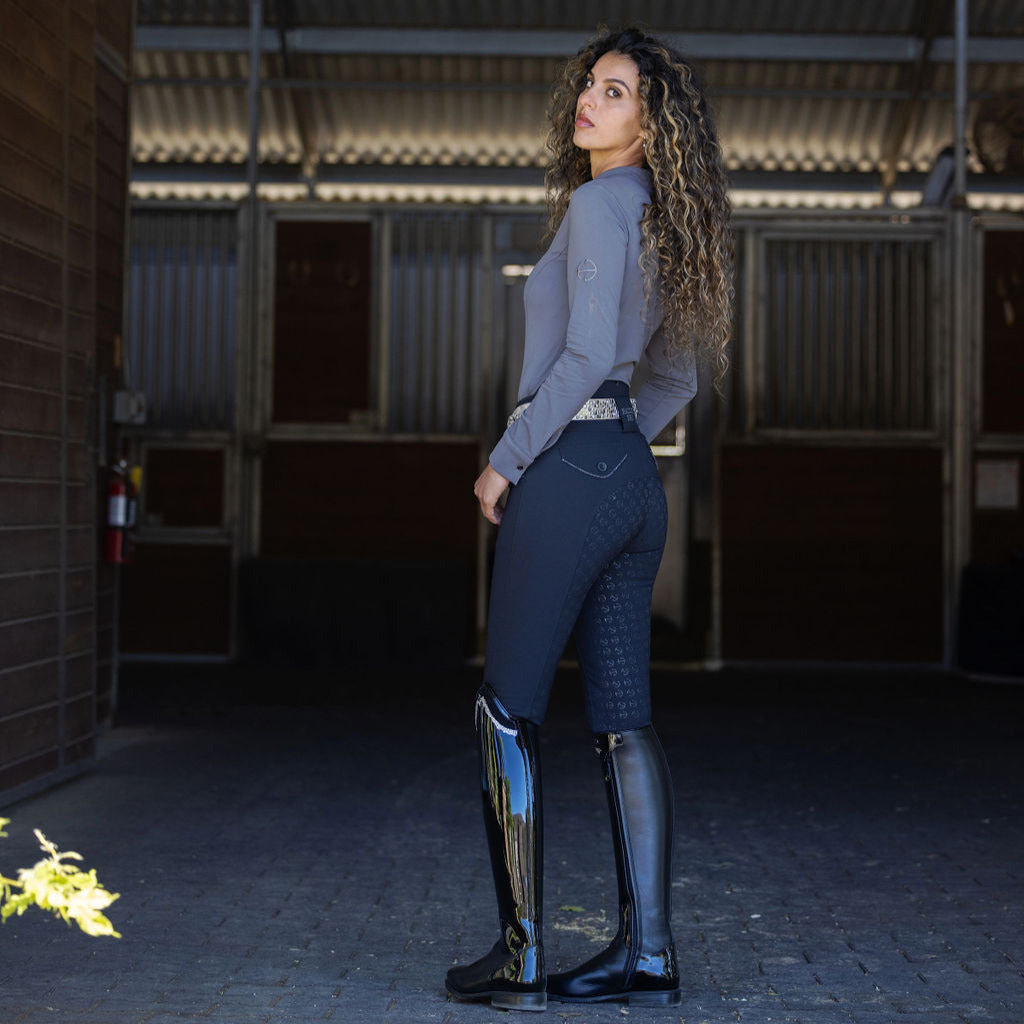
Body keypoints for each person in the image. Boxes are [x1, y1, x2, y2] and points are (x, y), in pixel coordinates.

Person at [445, 25, 733, 1012]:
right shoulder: (667, 218)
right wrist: (615, 450)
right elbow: (675, 378)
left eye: (615, 92)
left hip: (569, 469)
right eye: (591, 85)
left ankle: (521, 956)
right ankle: (646, 957)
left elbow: (581, 358)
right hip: (630, 484)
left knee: (505, 707)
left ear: (652, 123)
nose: (590, 100)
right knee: (622, 719)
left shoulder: (599, 204)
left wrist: (511, 458)